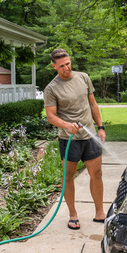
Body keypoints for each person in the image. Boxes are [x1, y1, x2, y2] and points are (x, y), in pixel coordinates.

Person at [44, 48, 107, 230]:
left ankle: (99, 212)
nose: (67, 68)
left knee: (97, 174)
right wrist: (66, 125)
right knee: (69, 177)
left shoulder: (83, 77)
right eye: (62, 65)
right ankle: (73, 214)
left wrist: (100, 127)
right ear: (54, 66)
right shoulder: (51, 89)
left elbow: (93, 103)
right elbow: (50, 116)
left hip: (89, 137)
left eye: (68, 63)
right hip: (69, 139)